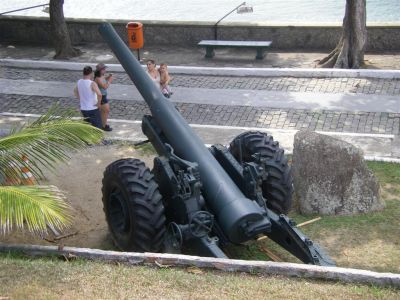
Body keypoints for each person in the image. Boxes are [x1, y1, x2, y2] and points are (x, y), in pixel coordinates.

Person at [94, 63, 113, 131]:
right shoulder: (98, 78)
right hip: (101, 96)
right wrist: (109, 81)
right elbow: (104, 87)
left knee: (104, 111)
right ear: (100, 70)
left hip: (103, 96)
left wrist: (108, 77)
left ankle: (103, 124)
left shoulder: (102, 76)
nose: (105, 70)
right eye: (104, 69)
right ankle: (103, 126)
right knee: (106, 111)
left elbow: (104, 78)